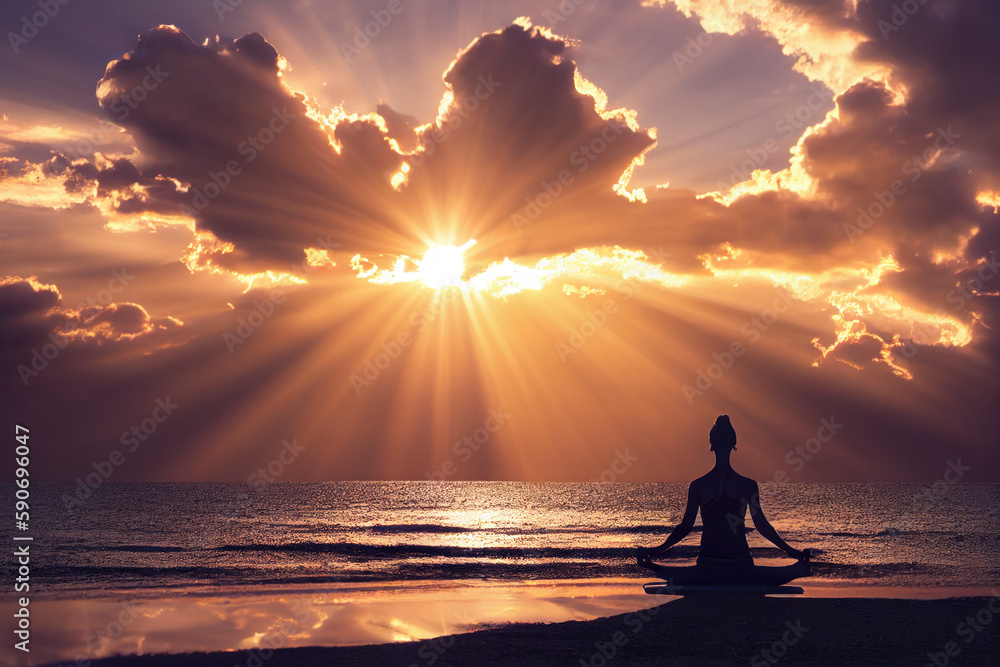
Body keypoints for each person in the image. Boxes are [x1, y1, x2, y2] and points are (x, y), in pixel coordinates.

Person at [636, 415, 811, 586]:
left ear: (711, 445)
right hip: (741, 569)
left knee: (663, 571)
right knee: (792, 570)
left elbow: (685, 527)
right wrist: (792, 552)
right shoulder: (748, 485)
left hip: (708, 569)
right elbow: (762, 526)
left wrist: (655, 551)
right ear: (734, 444)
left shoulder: (699, 486)